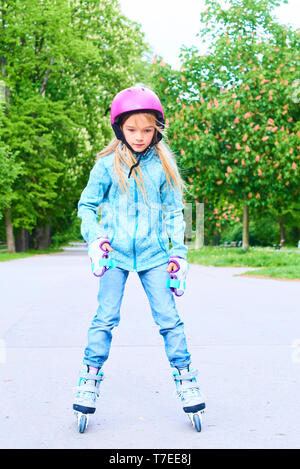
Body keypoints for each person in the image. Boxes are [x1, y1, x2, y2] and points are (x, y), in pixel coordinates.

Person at [73, 86, 205, 433]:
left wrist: (179, 253)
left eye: (148, 130)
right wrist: (95, 238)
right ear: (120, 129)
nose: (140, 136)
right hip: (113, 254)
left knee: (169, 319)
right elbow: (86, 206)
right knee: (105, 318)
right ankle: (89, 377)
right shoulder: (106, 165)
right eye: (132, 129)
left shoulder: (163, 166)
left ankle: (185, 376)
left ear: (157, 129)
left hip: (155, 254)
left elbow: (176, 213)